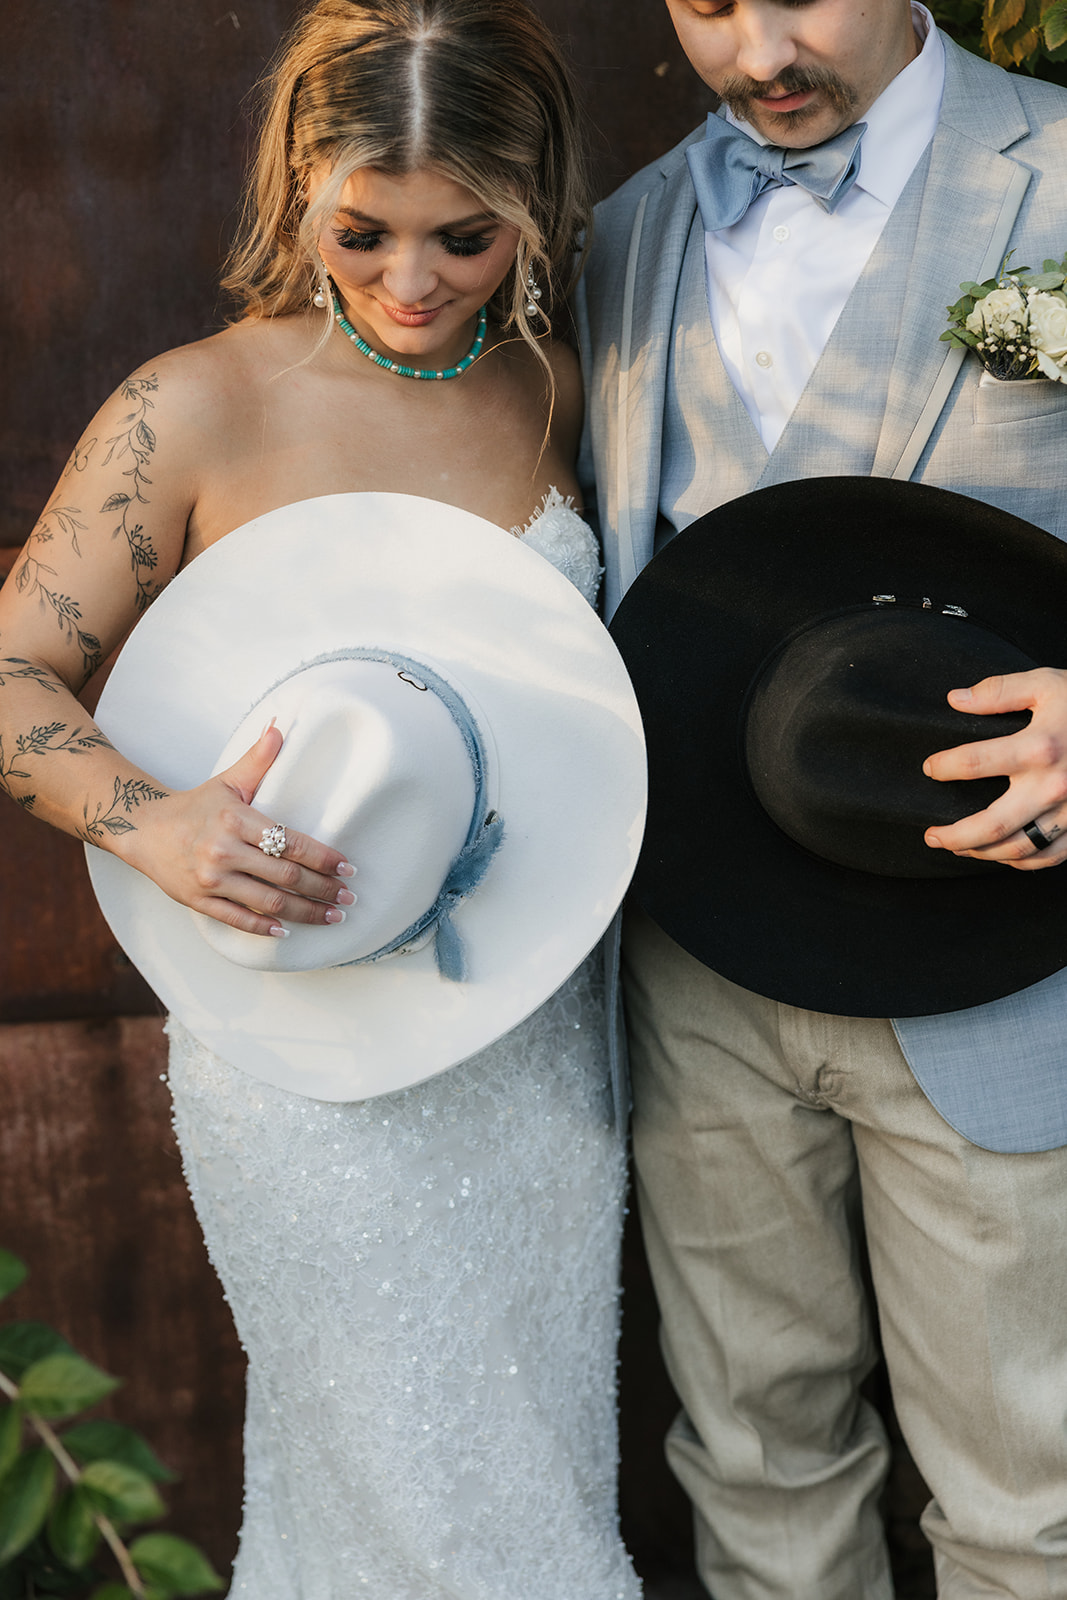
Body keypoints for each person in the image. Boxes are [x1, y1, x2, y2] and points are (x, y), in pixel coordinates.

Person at [0, 4, 644, 1597]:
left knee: (540, 1468)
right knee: (402, 1483)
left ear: (535, 209)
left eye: (466, 239)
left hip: (543, 1033)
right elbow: (11, 670)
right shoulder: (196, 404)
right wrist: (149, 819)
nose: (413, 283)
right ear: (297, 188)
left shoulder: (564, 386)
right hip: (300, 1057)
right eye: (364, 231)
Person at [575, 2, 1067, 1596]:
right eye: (709, 5)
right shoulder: (630, 229)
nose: (761, 50)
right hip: (700, 964)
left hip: (1002, 962)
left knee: (1028, 1506)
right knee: (755, 1468)